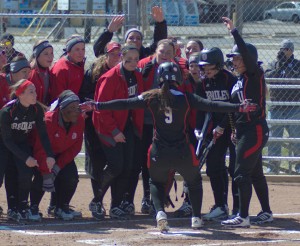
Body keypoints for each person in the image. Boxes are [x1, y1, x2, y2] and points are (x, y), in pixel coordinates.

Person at [80, 62, 258, 232]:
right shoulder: (186, 97)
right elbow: (212, 105)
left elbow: (125, 103)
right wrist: (238, 107)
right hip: (182, 151)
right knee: (194, 181)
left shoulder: (151, 96)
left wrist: (96, 105)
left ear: (159, 77)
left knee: (155, 182)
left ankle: (160, 213)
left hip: (159, 151)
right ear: (178, 78)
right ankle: (196, 217)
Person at [220, 17, 273, 227]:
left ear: (248, 59)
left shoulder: (254, 74)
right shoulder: (239, 80)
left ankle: (242, 216)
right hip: (243, 131)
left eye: (237, 58)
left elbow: (248, 57)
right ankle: (266, 212)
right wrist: (233, 129)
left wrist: (234, 32)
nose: (234, 61)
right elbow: (234, 109)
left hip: (255, 130)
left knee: (240, 173)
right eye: (233, 58)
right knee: (255, 173)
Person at [91, 45, 144, 219]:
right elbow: (101, 109)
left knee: (127, 167)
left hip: (126, 125)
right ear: (121, 57)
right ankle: (97, 200)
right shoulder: (110, 77)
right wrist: (114, 131)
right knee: (116, 166)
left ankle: (116, 205)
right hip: (107, 126)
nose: (133, 62)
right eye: (128, 59)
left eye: (136, 59)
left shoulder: (136, 76)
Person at [0, 79, 55, 222]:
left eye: (35, 90)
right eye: (31, 91)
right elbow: (7, 141)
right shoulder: (7, 111)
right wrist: (26, 158)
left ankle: (21, 207)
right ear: (20, 94)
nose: (35, 94)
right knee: (3, 176)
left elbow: (43, 134)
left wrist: (50, 155)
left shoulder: (35, 109)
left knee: (25, 173)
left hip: (21, 143)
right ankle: (12, 208)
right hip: (3, 144)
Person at [79, 41, 121, 220]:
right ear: (105, 55)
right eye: (112, 54)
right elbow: (83, 95)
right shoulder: (94, 72)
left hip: (115, 125)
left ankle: (115, 203)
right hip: (95, 125)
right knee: (96, 164)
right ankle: (98, 202)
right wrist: (99, 104)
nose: (116, 57)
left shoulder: (124, 72)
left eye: (119, 54)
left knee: (116, 164)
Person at [195, 47, 238, 221]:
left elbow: (234, 108)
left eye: (210, 67)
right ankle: (220, 205)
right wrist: (199, 129)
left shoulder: (230, 79)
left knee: (236, 169)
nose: (206, 71)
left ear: (219, 66)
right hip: (216, 131)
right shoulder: (203, 83)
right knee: (213, 166)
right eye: (204, 68)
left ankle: (239, 209)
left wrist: (222, 126)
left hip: (234, 128)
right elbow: (201, 107)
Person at [30, 90, 84, 221]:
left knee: (71, 177)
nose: (77, 111)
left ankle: (60, 207)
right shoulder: (49, 121)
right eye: (72, 108)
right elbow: (40, 148)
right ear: (62, 108)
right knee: (42, 178)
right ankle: (33, 208)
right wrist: (46, 172)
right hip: (43, 155)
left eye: (78, 107)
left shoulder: (79, 119)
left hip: (62, 155)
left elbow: (75, 147)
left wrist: (58, 166)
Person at [138, 38, 176, 214]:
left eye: (169, 52)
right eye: (162, 51)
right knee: (147, 161)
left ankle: (160, 195)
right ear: (155, 51)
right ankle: (148, 196)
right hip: (145, 121)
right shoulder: (144, 65)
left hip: (165, 123)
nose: (165, 55)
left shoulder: (175, 68)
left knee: (164, 162)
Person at [265, 39, 300, 174]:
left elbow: (295, 78)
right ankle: (273, 167)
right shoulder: (273, 64)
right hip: (276, 107)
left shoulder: (297, 65)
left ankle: (297, 166)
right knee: (274, 139)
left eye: (286, 49)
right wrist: (280, 65)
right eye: (281, 49)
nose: (283, 51)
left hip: (293, 107)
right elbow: (268, 77)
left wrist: (287, 66)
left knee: (296, 138)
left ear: (291, 51)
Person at [93, 6, 167, 59]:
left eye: (138, 38)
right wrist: (108, 32)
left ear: (142, 42)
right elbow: (98, 52)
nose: (135, 40)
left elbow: (160, 43)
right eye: (131, 38)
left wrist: (160, 23)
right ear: (125, 41)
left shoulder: (147, 54)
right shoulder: (118, 55)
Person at [50, 35, 85, 101]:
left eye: (83, 49)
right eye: (77, 49)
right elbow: (58, 96)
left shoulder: (78, 63)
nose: (81, 53)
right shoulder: (62, 69)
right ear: (69, 51)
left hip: (75, 100)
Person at [28, 40, 54, 105]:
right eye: (46, 54)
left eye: (51, 53)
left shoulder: (47, 70)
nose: (50, 57)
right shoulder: (32, 74)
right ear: (37, 56)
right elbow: (31, 100)